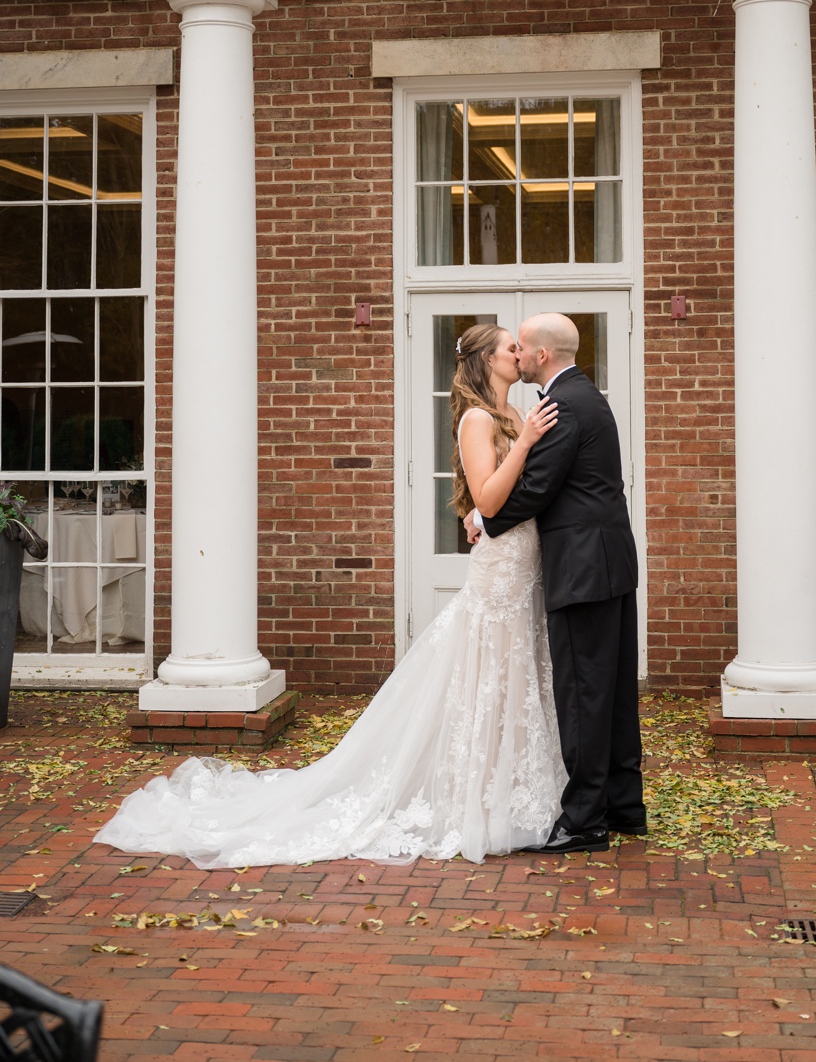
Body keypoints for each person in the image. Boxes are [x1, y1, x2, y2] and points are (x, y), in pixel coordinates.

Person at [97, 323, 565, 867]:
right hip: (498, 573)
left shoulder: (513, 414)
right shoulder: (479, 419)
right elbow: (487, 493)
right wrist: (522, 449)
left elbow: (500, 500)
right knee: (486, 679)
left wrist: (489, 497)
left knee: (516, 679)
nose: (519, 352)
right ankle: (479, 801)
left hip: (525, 561)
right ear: (488, 359)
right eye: (510, 345)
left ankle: (516, 789)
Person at [475, 312, 646, 854]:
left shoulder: (562, 404)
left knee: (584, 695)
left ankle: (585, 821)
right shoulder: (587, 395)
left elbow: (537, 487)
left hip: (583, 570)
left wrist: (484, 520)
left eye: (521, 349)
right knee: (612, 692)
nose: (518, 357)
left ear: (541, 355)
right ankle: (625, 807)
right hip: (608, 563)